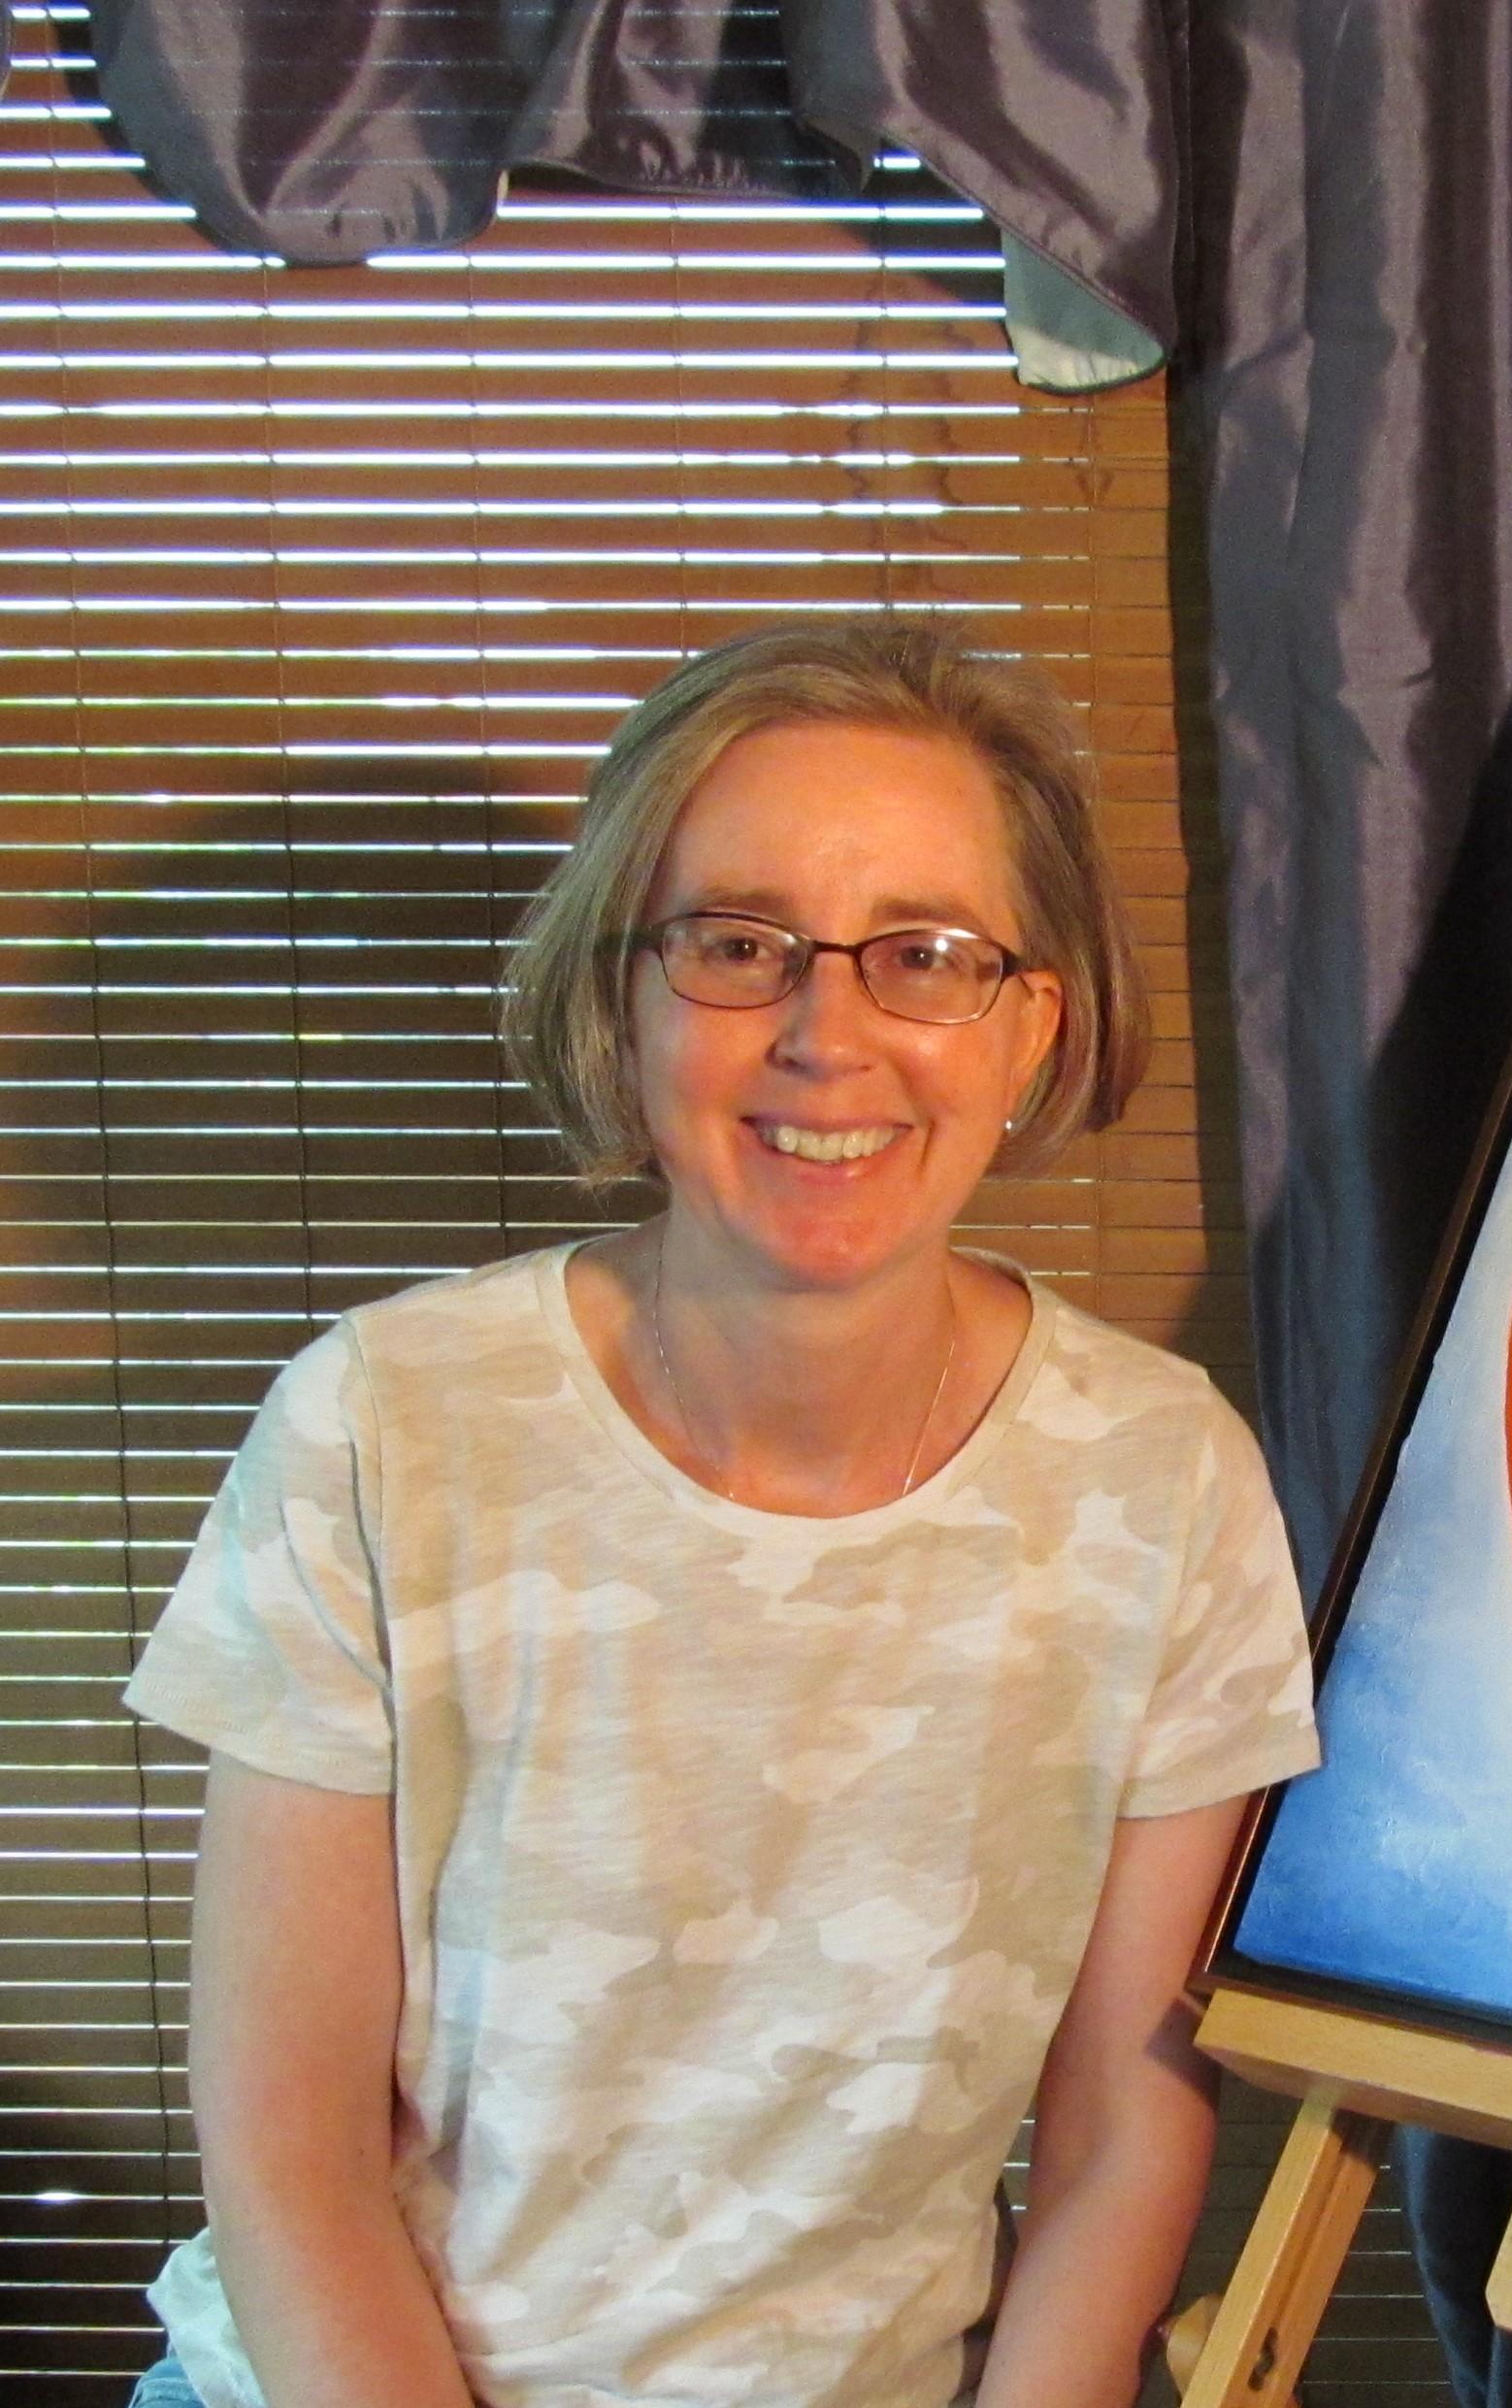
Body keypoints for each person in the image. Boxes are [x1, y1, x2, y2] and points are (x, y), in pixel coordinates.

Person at [119, 622, 1320, 2408]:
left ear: (1030, 1027)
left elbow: (1118, 2146)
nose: (829, 1036)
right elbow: (289, 2148)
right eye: (739, 945)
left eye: (926, 955)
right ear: (625, 999)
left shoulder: (1169, 1481)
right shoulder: (379, 1423)